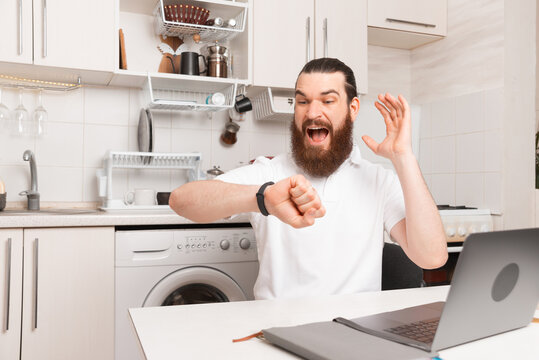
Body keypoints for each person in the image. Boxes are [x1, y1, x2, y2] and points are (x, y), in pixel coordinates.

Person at [170, 58, 448, 300]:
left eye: (327, 101)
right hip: (278, 332)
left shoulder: (379, 181)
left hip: (355, 333)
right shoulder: (269, 172)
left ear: (353, 108)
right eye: (302, 101)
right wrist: (262, 197)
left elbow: (432, 257)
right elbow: (181, 201)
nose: (312, 112)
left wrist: (404, 157)